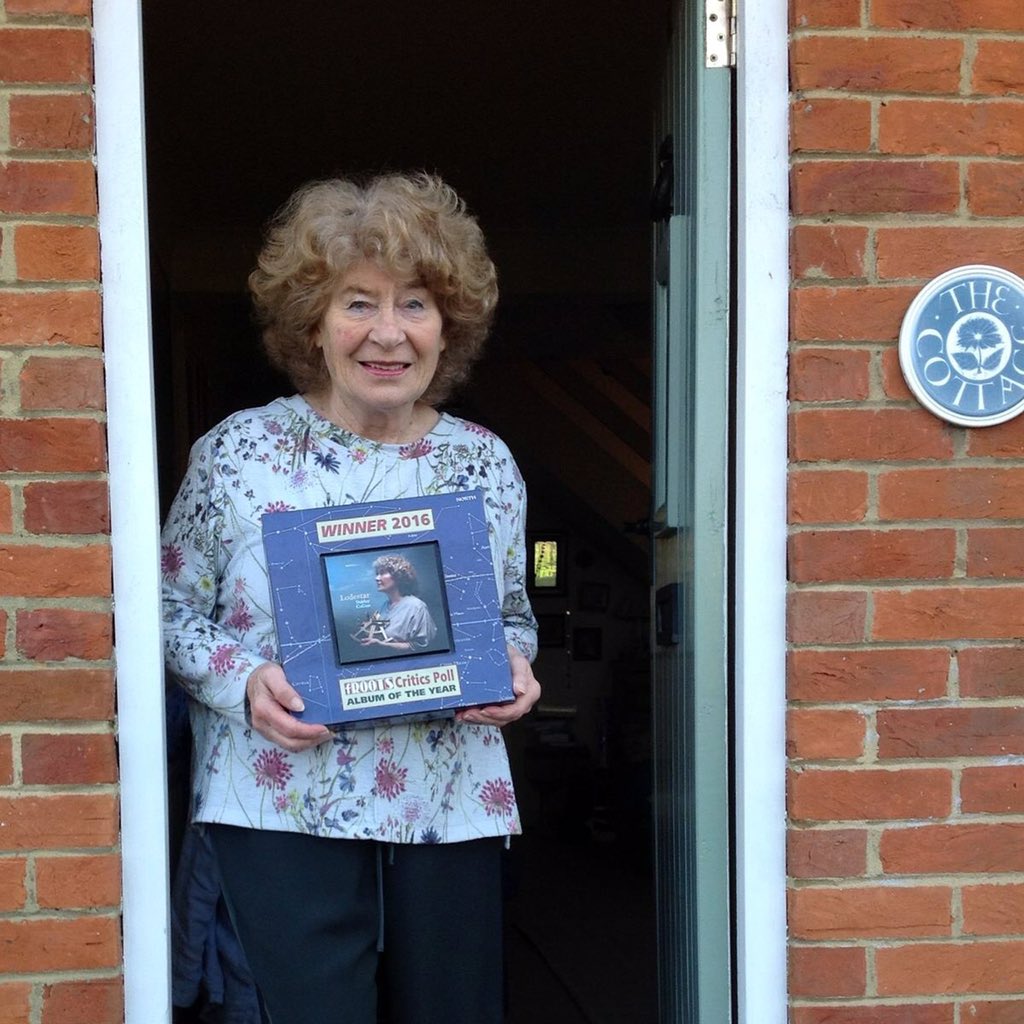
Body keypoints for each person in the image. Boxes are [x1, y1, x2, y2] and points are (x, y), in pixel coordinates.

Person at [161, 172, 541, 1024]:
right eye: (358, 303)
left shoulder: (485, 463)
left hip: (448, 804)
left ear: (448, 326)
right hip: (281, 803)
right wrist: (243, 680)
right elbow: (164, 609)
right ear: (313, 322)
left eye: (415, 304)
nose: (387, 333)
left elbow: (513, 617)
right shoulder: (238, 454)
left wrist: (516, 666)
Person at [359, 554, 437, 652]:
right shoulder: (384, 606)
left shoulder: (417, 607)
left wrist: (382, 645)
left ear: (398, 576)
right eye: (377, 573)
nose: (377, 578)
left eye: (382, 573)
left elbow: (420, 647)